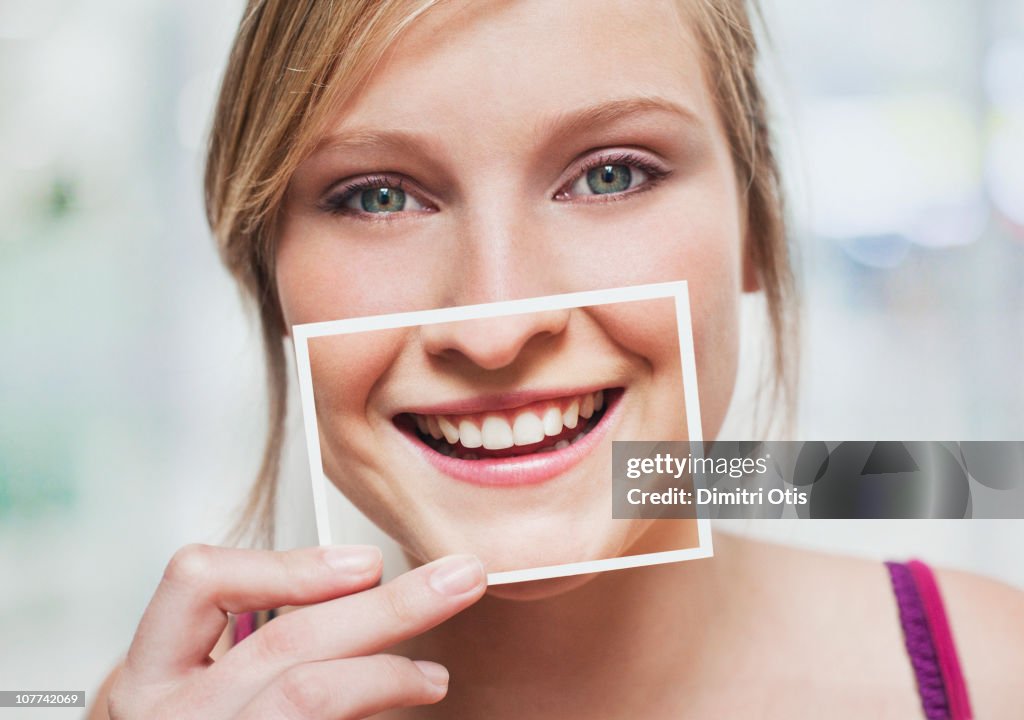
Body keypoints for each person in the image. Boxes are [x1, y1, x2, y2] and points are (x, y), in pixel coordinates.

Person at [89, 0, 1024, 717]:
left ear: (754, 223)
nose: (496, 328)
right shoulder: (176, 705)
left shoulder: (999, 672)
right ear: (270, 279)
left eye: (611, 174)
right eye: (376, 196)